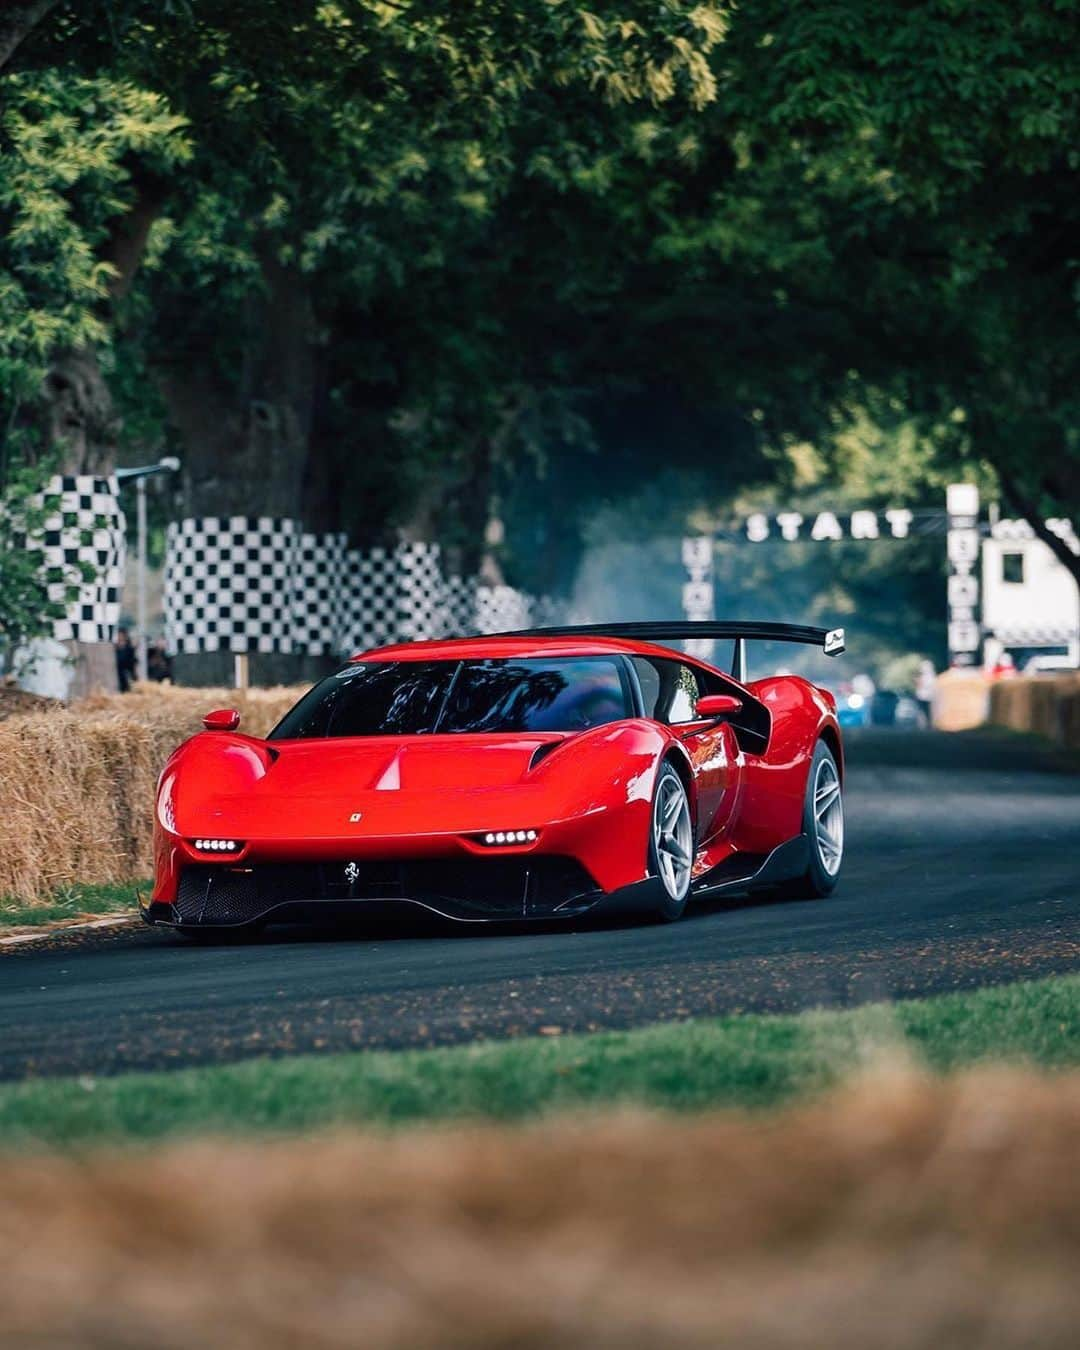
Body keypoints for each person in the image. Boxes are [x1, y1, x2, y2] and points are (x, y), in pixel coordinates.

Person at [115, 628, 137, 693]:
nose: (119, 637)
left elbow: (132, 661)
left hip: (127, 670)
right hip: (120, 670)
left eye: (121, 635)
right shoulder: (116, 647)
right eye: (119, 635)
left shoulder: (129, 647)